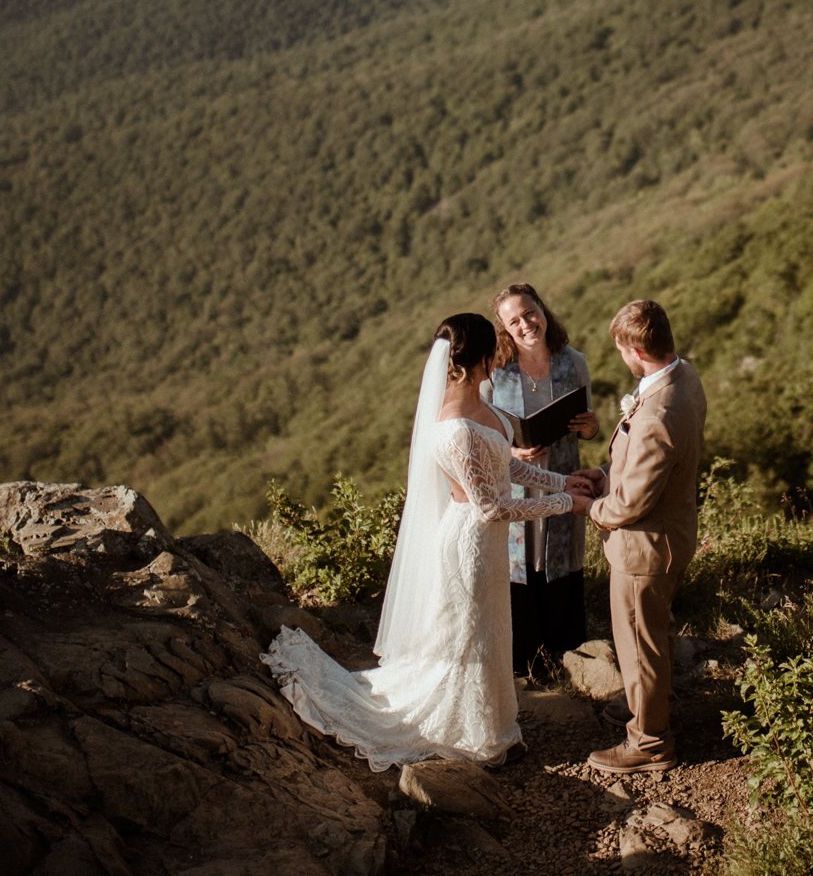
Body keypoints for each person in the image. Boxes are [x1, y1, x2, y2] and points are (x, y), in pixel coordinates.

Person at [262, 313, 595, 770]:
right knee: (471, 638)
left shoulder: (486, 408)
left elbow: (510, 469)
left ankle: (495, 726)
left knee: (491, 631)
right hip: (470, 545)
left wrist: (563, 481)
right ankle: (475, 734)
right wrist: (565, 504)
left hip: (489, 544)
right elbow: (492, 507)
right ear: (480, 358)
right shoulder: (455, 428)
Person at [582, 298, 705, 775]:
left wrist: (591, 507)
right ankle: (651, 704)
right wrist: (605, 472)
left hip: (645, 547)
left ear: (634, 349)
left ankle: (650, 740)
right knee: (655, 632)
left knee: (638, 642)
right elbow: (649, 467)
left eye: (621, 349)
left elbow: (631, 504)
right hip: (673, 532)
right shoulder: (683, 377)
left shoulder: (656, 412)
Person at [485, 282, 601, 677]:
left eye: (529, 313)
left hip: (563, 478)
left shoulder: (574, 362)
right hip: (516, 483)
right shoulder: (495, 373)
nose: (525, 324)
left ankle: (566, 655)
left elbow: (587, 424)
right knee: (520, 567)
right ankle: (524, 662)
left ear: (542, 309)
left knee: (560, 564)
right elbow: (482, 435)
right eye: (513, 320)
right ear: (504, 328)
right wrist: (512, 452)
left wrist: (591, 428)